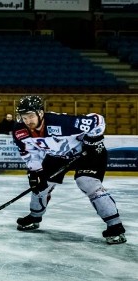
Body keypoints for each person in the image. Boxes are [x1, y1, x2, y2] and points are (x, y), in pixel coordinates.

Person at [12, 95, 126, 244]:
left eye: (31, 116)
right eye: (24, 117)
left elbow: (97, 120)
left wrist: (93, 141)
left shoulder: (61, 123)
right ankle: (34, 217)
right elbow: (28, 152)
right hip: (57, 156)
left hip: (87, 153)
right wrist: (35, 171)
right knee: (39, 186)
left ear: (40, 113)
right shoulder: (19, 130)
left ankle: (115, 227)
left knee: (87, 183)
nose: (28, 121)